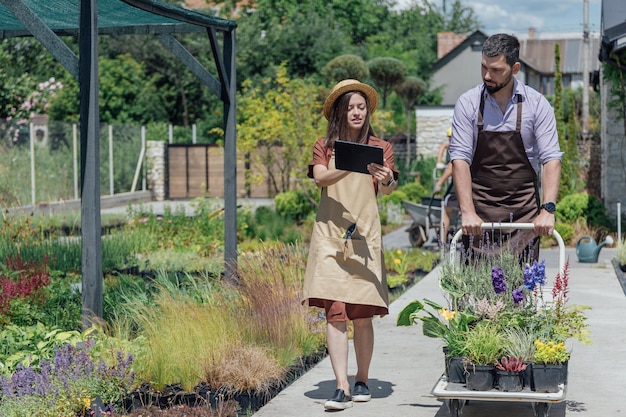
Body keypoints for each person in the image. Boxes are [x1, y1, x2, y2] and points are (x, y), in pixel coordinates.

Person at [302, 79, 398, 411]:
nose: (356, 112)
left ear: (367, 112)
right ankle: (341, 385)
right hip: (330, 236)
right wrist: (349, 164)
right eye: (349, 108)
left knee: (362, 314)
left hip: (365, 238)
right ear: (339, 113)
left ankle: (363, 379)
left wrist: (386, 178)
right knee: (335, 313)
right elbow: (320, 178)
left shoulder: (381, 147)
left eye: (361, 107)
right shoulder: (324, 147)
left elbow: (388, 188)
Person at [449, 33, 562, 261]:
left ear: (515, 67)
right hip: (479, 216)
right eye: (483, 67)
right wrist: (467, 212)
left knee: (521, 291)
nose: (487, 76)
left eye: (497, 70)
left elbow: (551, 158)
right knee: (477, 291)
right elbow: (459, 158)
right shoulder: (468, 103)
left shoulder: (537, 105)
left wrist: (547, 210)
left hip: (524, 216)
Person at [434, 127, 457, 238]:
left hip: (458, 187)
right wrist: (439, 161)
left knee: (446, 211)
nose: (449, 141)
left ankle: (442, 242)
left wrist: (439, 183)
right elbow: (443, 146)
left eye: (451, 138)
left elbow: (451, 167)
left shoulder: (457, 149)